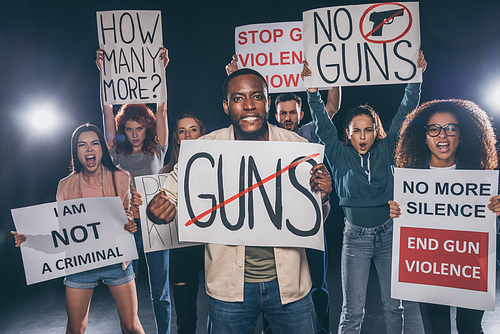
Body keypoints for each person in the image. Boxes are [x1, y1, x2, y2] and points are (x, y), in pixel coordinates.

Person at [146, 68, 333, 334]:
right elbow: (170, 196)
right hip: (229, 288)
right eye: (238, 98)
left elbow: (312, 221)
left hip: (289, 285)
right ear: (226, 106)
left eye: (257, 96)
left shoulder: (298, 148)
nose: (248, 106)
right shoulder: (203, 151)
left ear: (268, 102)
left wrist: (322, 199)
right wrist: (158, 208)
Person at [302, 50, 427, 334]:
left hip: (389, 236)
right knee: (352, 311)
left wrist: (415, 80)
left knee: (394, 307)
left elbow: (406, 110)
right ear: (347, 132)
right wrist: (312, 91)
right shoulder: (336, 152)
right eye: (356, 130)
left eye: (368, 130)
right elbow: (322, 123)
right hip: (355, 238)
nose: (362, 136)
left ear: (376, 130)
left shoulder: (388, 147)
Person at [226, 55, 340, 334]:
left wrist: (335, 75)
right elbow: (241, 118)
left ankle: (319, 328)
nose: (288, 117)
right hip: (270, 234)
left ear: (300, 115)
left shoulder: (309, 135)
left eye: (293, 112)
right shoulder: (256, 136)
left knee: (316, 284)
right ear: (275, 116)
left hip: (308, 227)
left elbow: (331, 107)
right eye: (283, 113)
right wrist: (238, 76)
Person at [12, 124, 144, 334]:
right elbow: (60, 230)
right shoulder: (65, 185)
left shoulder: (121, 177)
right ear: (77, 151)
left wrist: (131, 222)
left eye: (94, 143)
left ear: (102, 148)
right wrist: (29, 239)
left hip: (116, 261)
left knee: (131, 326)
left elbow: (128, 218)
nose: (89, 149)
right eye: (82, 145)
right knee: (75, 329)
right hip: (80, 264)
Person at [389, 99, 499, 334]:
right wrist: (396, 213)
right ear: (424, 135)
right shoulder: (411, 178)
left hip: (471, 266)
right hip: (429, 267)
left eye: (451, 128)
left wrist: (497, 211)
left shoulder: (480, 176)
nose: (443, 135)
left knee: (470, 328)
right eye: (434, 129)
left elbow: (486, 223)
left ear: (462, 134)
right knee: (436, 330)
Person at [96, 47, 171, 334]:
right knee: (127, 293)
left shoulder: (158, 148)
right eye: (129, 128)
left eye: (140, 127)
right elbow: (106, 109)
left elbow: (162, 107)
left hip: (155, 226)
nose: (135, 133)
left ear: (147, 127)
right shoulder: (115, 153)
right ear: (122, 130)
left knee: (160, 292)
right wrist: (103, 72)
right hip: (126, 227)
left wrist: (162, 69)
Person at [161, 112, 207, 334]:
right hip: (181, 251)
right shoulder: (164, 174)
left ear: (202, 134)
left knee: (223, 312)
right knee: (186, 319)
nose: (188, 134)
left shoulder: (217, 167)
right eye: (182, 131)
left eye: (193, 129)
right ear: (177, 138)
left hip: (212, 248)